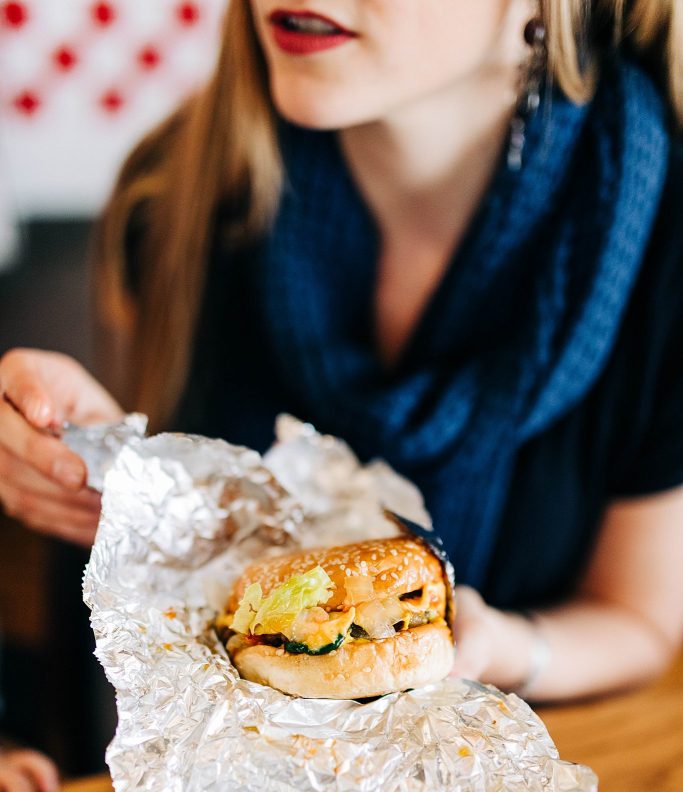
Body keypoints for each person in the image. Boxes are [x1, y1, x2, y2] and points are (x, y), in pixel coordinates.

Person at [0, 0, 682, 721]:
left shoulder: (660, 233)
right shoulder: (178, 193)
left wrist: (503, 646)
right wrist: (112, 475)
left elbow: (637, 619)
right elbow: (201, 579)